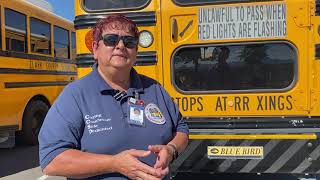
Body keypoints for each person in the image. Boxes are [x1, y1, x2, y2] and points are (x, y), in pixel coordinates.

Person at [38, 14, 189, 180]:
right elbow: (52, 160)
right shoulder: (75, 95)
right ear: (95, 49)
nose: (121, 46)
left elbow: (181, 129)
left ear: (136, 51)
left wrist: (172, 149)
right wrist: (114, 163)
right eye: (111, 40)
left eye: (129, 42)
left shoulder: (155, 89)